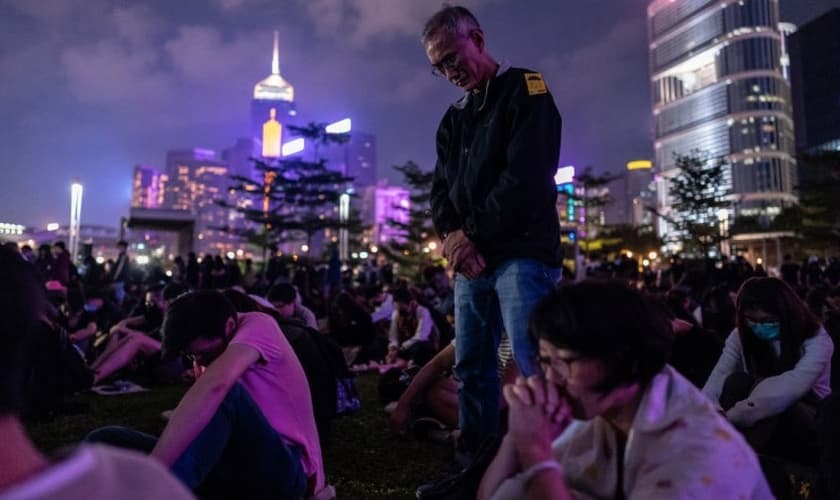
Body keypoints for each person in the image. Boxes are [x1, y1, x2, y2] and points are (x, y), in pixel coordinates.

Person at [423, 3, 563, 470]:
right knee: (471, 365)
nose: (449, 71)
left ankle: (547, 464)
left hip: (522, 252)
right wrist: (452, 238)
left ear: (478, 39)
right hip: (472, 262)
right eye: (439, 66)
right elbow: (439, 191)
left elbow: (527, 178)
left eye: (451, 57)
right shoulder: (453, 119)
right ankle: (474, 466)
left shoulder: (527, 90)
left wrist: (470, 237)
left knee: (533, 361)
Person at [478, 281, 772, 500]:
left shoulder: (694, 459)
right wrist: (518, 435)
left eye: (563, 362)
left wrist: (534, 450)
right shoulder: (603, 415)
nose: (550, 379)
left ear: (624, 359)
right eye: (545, 362)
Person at [87, 290, 329, 498]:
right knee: (107, 439)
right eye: (192, 356)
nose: (199, 361)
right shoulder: (214, 354)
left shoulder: (259, 325)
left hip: (286, 472)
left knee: (226, 394)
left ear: (229, 327)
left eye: (202, 353)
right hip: (229, 467)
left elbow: (216, 388)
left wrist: (155, 467)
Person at [0, 247, 195, 500]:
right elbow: (126, 325)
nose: (155, 303)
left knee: (133, 340)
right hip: (150, 357)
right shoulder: (148, 483)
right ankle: (92, 373)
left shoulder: (180, 321)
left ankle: (93, 375)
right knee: (127, 338)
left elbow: (168, 347)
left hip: (170, 358)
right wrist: (124, 327)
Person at [702, 277, 833, 462]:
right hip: (751, 411)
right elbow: (720, 374)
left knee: (774, 401)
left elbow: (790, 388)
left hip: (805, 409)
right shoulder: (741, 335)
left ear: (785, 314)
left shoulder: (816, 338)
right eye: (751, 320)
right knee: (736, 382)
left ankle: (736, 457)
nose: (758, 326)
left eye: (767, 320)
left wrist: (730, 417)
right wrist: (710, 412)